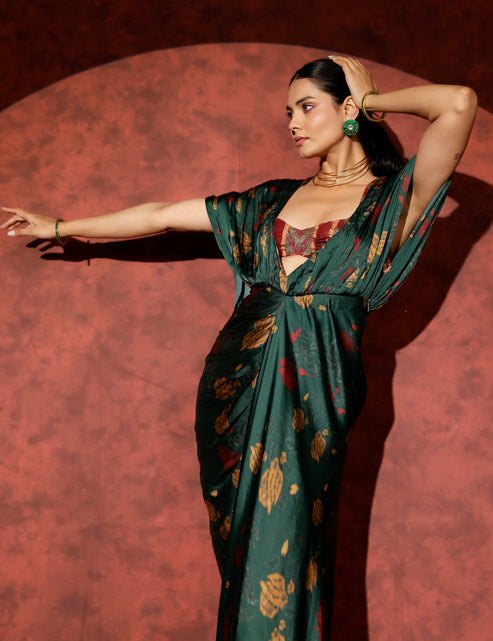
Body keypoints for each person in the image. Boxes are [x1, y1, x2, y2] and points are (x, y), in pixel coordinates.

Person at [1, 56, 477, 641]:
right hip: (238, 384)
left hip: (317, 391)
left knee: (292, 531)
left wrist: (373, 101)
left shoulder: (393, 200)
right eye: (288, 111)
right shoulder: (268, 201)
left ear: (348, 109)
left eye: (307, 107)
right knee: (246, 538)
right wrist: (59, 226)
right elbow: (163, 216)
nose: (293, 123)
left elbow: (458, 104)